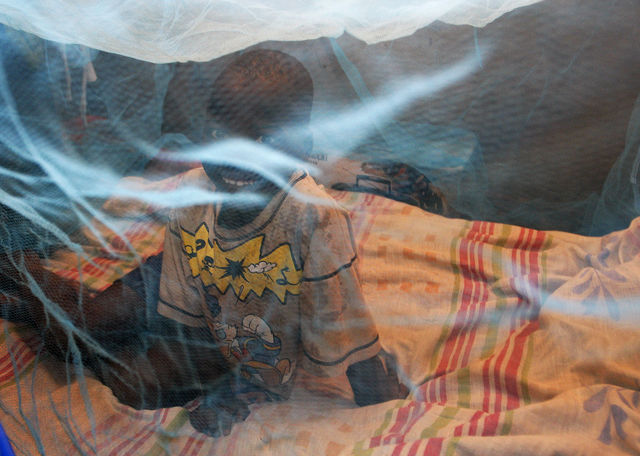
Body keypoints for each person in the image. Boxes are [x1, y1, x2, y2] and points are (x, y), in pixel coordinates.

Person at [0, 49, 407, 437]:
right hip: (186, 289)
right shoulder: (196, 193)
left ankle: (47, 306)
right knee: (77, 332)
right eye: (219, 133)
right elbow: (180, 310)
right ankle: (23, 267)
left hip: (235, 329)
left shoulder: (315, 219)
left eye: (261, 140)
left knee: (130, 384)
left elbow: (346, 321)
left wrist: (383, 404)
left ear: (302, 143)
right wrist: (184, 364)